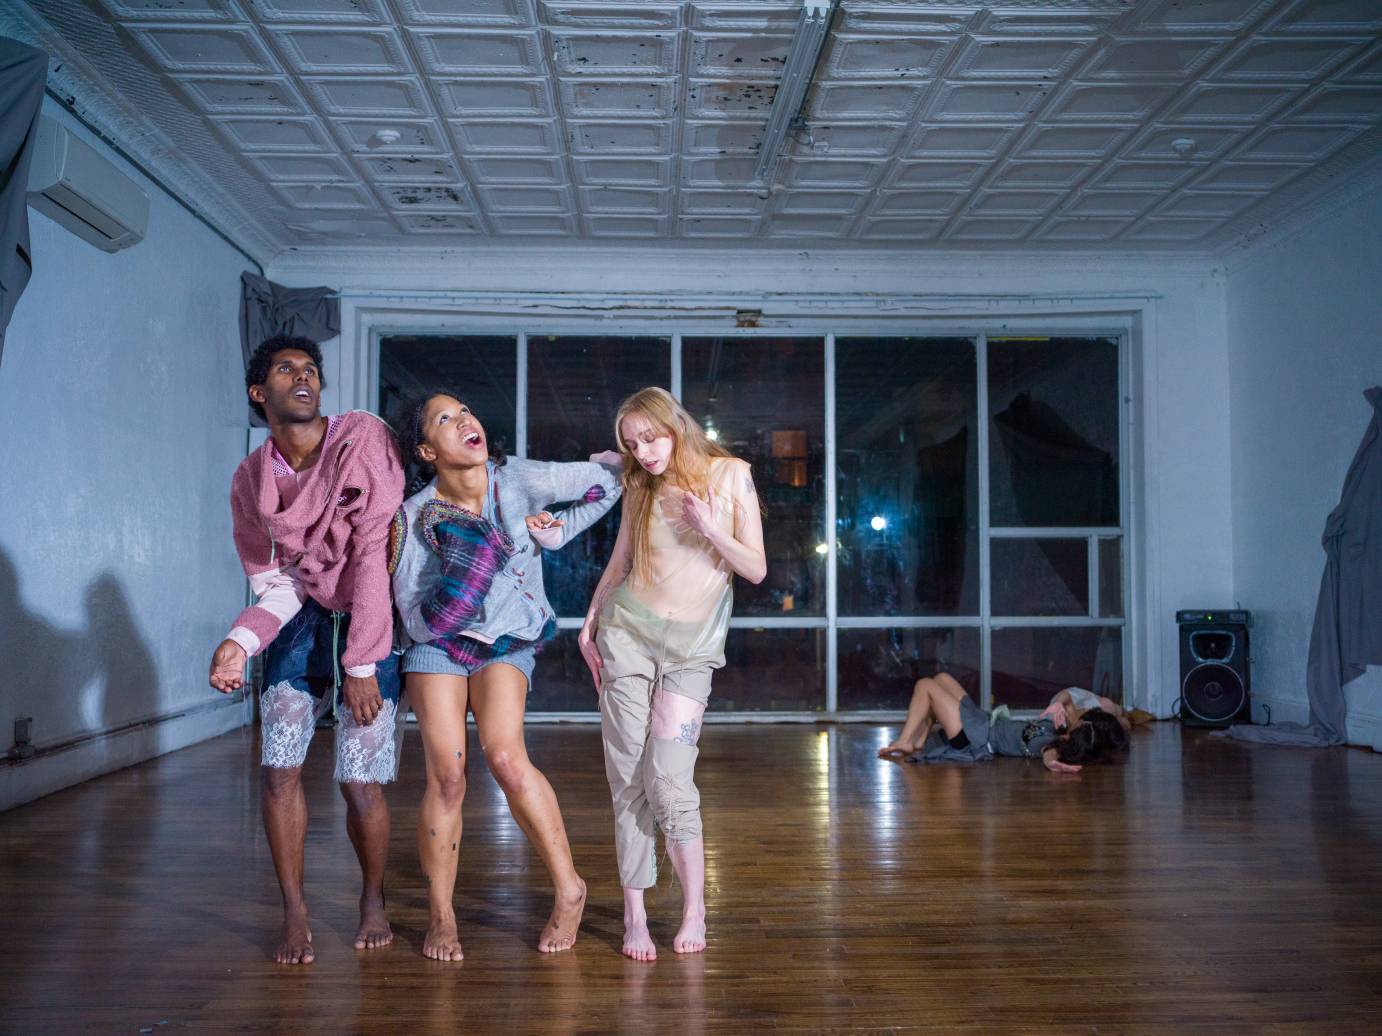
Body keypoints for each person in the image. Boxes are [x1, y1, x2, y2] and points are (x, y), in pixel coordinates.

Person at [391, 391, 622, 961]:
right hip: (437, 645)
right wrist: (452, 605)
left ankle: (570, 888)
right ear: (427, 449)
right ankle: (441, 915)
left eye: (467, 409)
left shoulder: (516, 479)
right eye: (445, 419)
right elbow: (409, 604)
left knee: (505, 756)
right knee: (447, 773)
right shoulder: (414, 515)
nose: (465, 419)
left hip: (509, 639)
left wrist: (558, 533)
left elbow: (605, 485)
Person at [207, 335, 405, 965]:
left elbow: (373, 554)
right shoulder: (250, 480)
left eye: (312, 370)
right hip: (304, 610)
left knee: (360, 779)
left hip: (371, 616)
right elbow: (276, 585)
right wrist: (239, 643)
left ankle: (373, 897)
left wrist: (362, 664)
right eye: (286, 370)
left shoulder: (361, 439)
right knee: (279, 766)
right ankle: (295, 910)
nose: (304, 378)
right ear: (258, 393)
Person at [578, 386, 766, 961]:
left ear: (677, 425)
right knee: (627, 778)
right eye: (632, 444)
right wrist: (590, 621)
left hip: (690, 651)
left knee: (669, 780)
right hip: (627, 635)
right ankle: (635, 916)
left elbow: (755, 570)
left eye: (651, 437)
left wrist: (710, 528)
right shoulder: (642, 483)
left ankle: (693, 909)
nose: (645, 451)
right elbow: (622, 562)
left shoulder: (732, 475)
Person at [877, 672, 1128, 771]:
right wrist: (1059, 704)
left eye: (1073, 726)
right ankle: (919, 738)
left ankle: (906, 741)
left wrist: (1055, 765)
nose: (1072, 720)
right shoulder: (1064, 727)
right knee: (942, 678)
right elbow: (1068, 699)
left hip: (976, 737)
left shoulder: (1052, 745)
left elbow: (1049, 756)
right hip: (984, 721)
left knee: (926, 685)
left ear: (1068, 739)